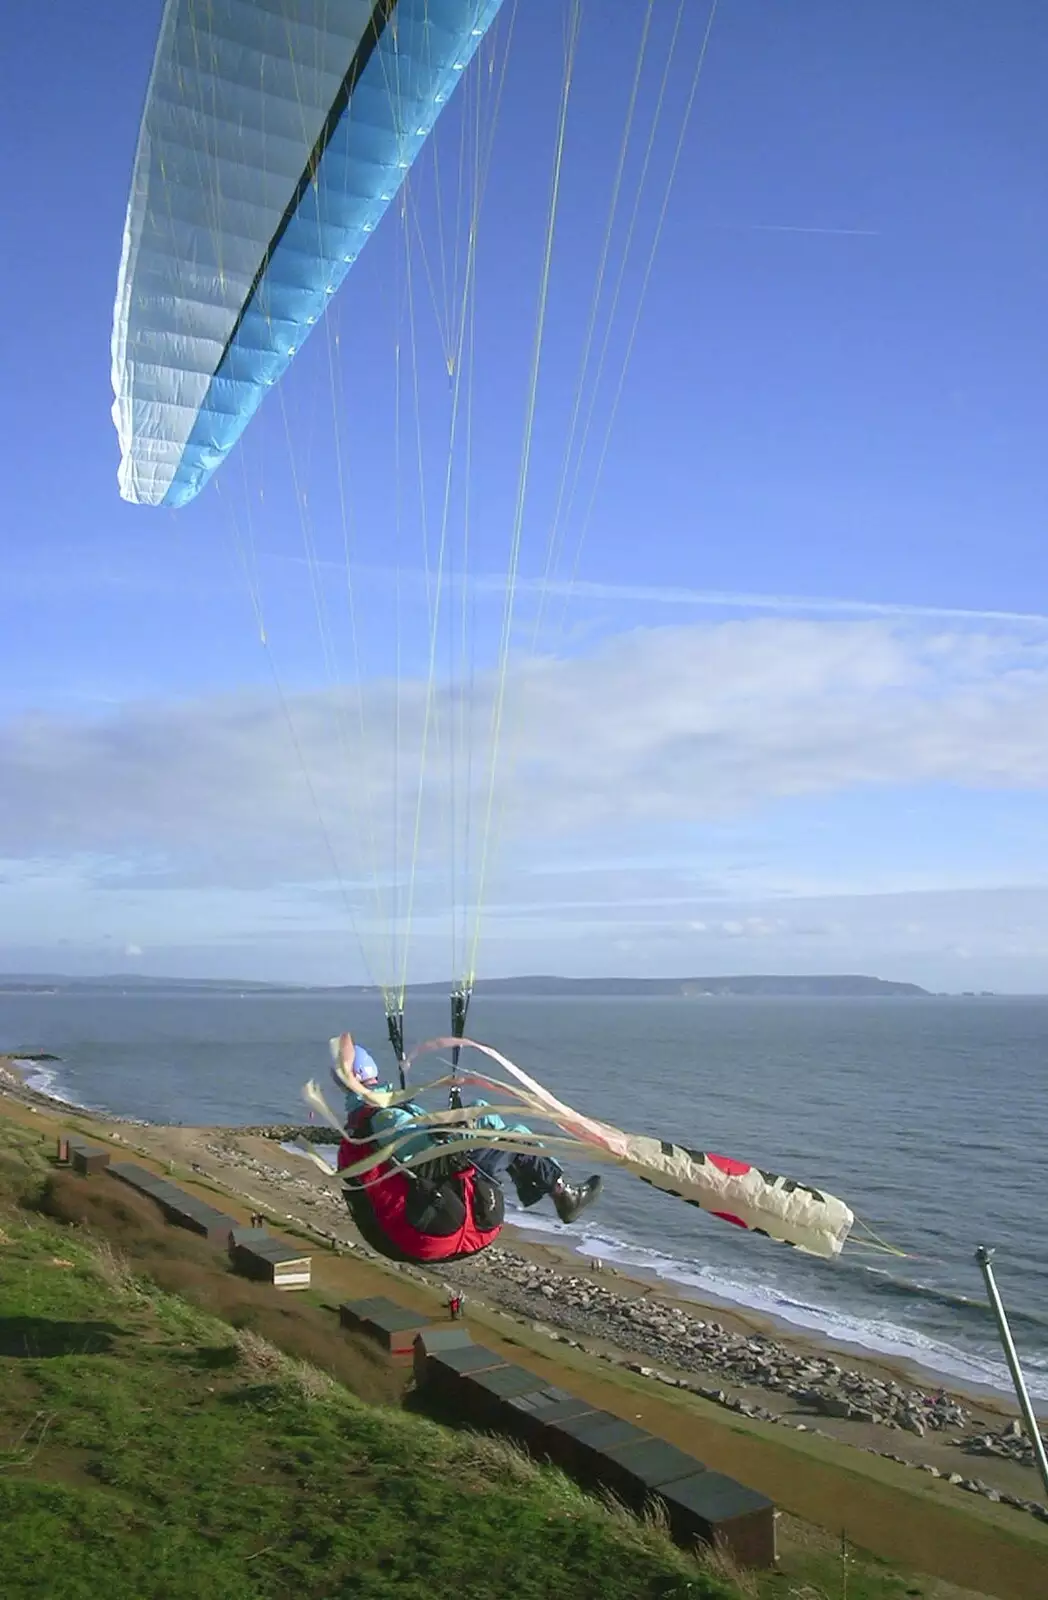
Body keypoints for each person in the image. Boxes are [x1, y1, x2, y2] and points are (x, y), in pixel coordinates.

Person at [333, 1036, 602, 1263]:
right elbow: (424, 1156)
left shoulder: (362, 1121)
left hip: (412, 1234)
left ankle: (553, 1191)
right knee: (512, 1136)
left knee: (488, 1121)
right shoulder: (385, 1117)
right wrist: (467, 1127)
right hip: (442, 1220)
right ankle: (562, 1194)